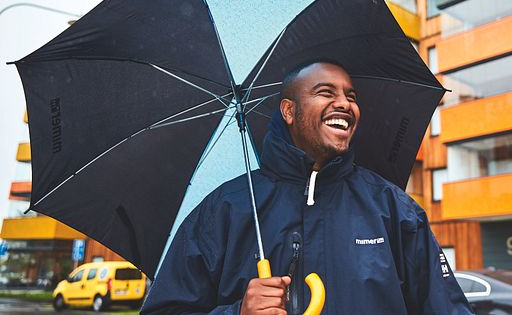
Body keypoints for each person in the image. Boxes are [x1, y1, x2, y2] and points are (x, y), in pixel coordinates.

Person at [141, 61, 472, 315]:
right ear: (289, 111)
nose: (344, 103)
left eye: (350, 96)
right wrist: (237, 312)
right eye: (326, 93)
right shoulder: (224, 210)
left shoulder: (394, 209)